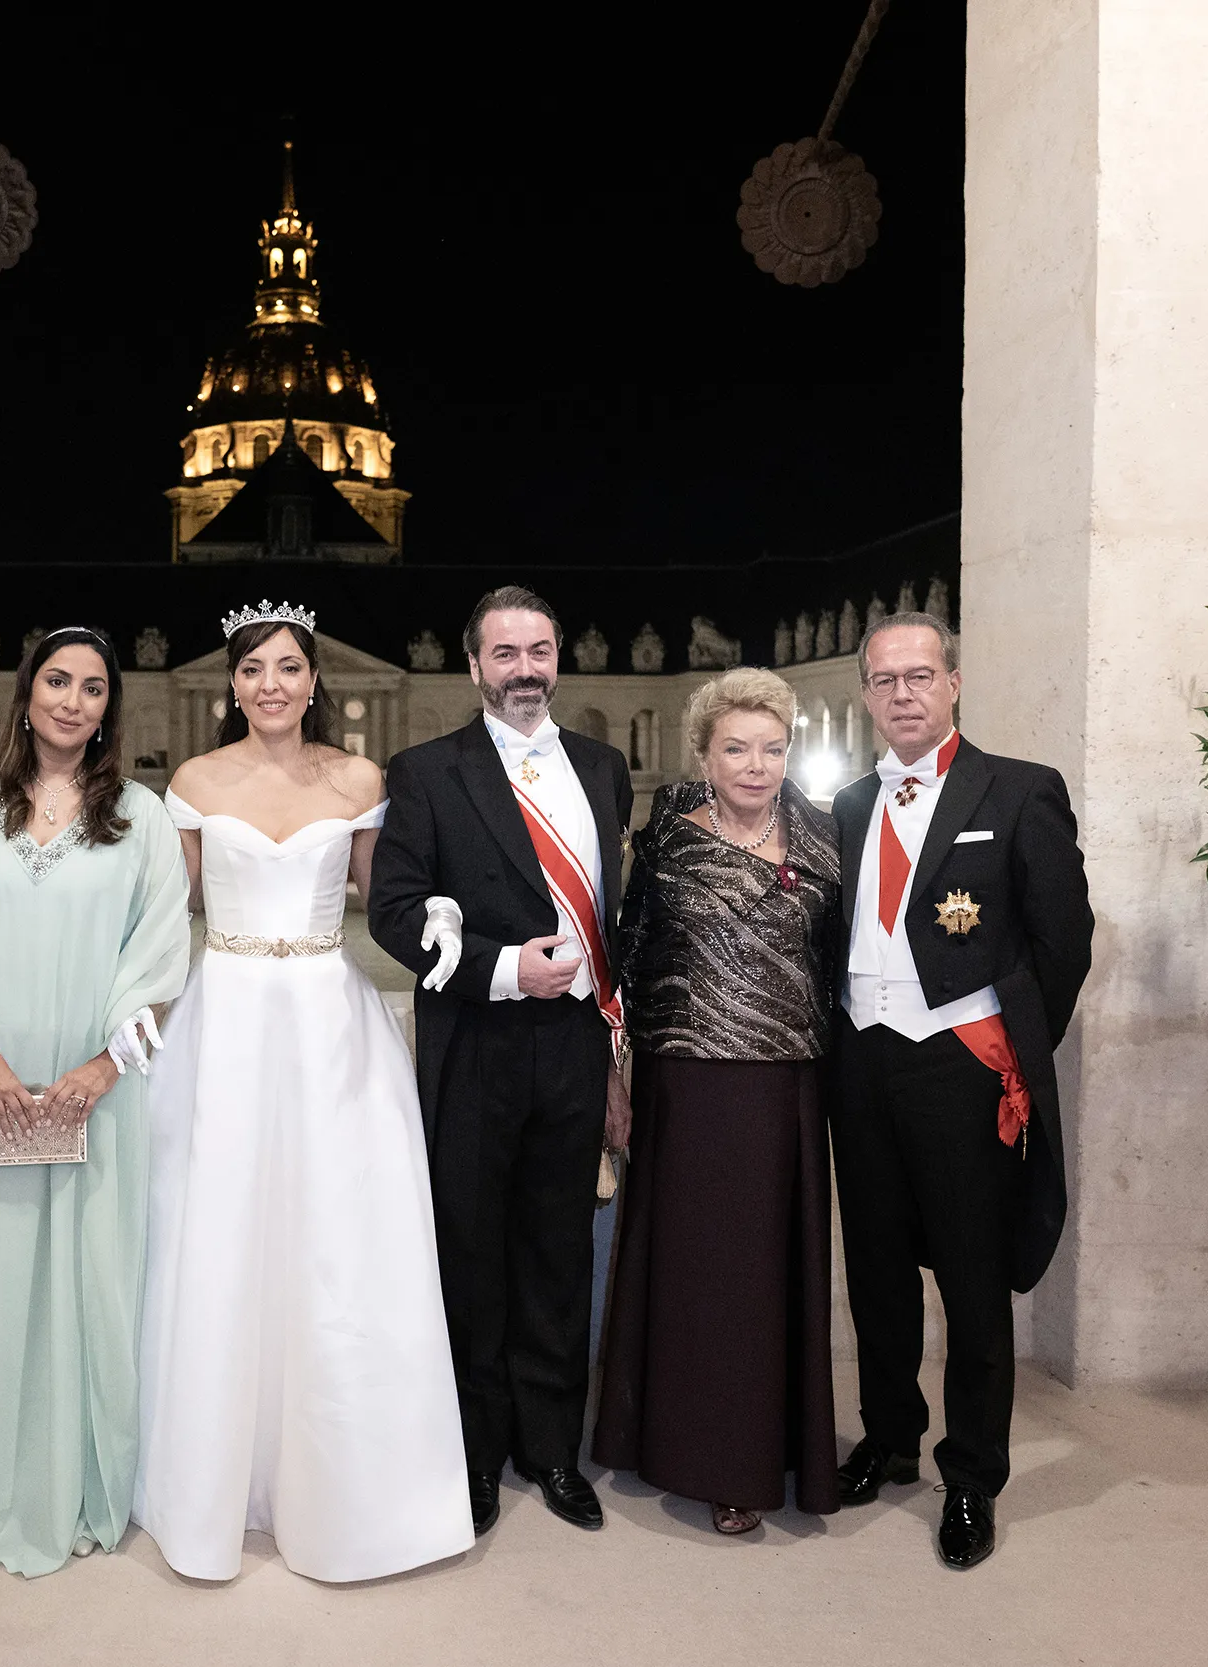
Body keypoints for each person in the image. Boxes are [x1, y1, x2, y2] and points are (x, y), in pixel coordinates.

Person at [135, 603, 472, 1583]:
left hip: (328, 1012)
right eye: (253, 669)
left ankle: (345, 1477)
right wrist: (125, 994)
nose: (270, 684)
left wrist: (443, 913)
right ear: (232, 684)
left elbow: (383, 893)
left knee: (333, 1232)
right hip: (227, 1014)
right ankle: (216, 1471)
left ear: (313, 679)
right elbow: (167, 909)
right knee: (223, 1226)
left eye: (287, 667)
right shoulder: (195, 781)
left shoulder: (358, 779)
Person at [0, 627, 190, 1578]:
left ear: (111, 706)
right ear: (26, 692)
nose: (74, 700)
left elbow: (161, 957)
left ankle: (81, 1477)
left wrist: (101, 1069)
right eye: (58, 680)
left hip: (94, 1087)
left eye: (93, 687)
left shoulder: (143, 816)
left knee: (90, 1275)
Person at [826, 612, 1093, 1570]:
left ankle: (972, 1473)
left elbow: (1064, 941)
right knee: (876, 1267)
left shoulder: (1019, 789)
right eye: (885, 678)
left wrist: (1007, 1049)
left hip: (960, 1065)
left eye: (920, 675)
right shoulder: (845, 804)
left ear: (953, 683)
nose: (902, 693)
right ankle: (891, 1436)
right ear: (866, 693)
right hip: (859, 1060)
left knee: (973, 1279)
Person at [368, 585, 633, 1537]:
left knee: (559, 1248)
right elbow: (394, 911)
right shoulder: (425, 772)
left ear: (559, 657)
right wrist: (504, 968)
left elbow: (612, 912)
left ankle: (552, 1447)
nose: (526, 669)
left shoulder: (603, 767)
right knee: (473, 1251)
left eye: (540, 650)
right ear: (474, 662)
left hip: (574, 1047)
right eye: (506, 653)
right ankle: (476, 1452)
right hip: (475, 1044)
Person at [592, 668, 842, 1536]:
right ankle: (678, 1446)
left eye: (773, 747)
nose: (756, 764)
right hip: (686, 1085)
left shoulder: (824, 835)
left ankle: (754, 1459)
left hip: (784, 1087)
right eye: (737, 748)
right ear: (703, 755)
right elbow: (628, 956)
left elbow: (840, 960)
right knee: (693, 1275)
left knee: (762, 1281)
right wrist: (617, 1071)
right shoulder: (666, 835)